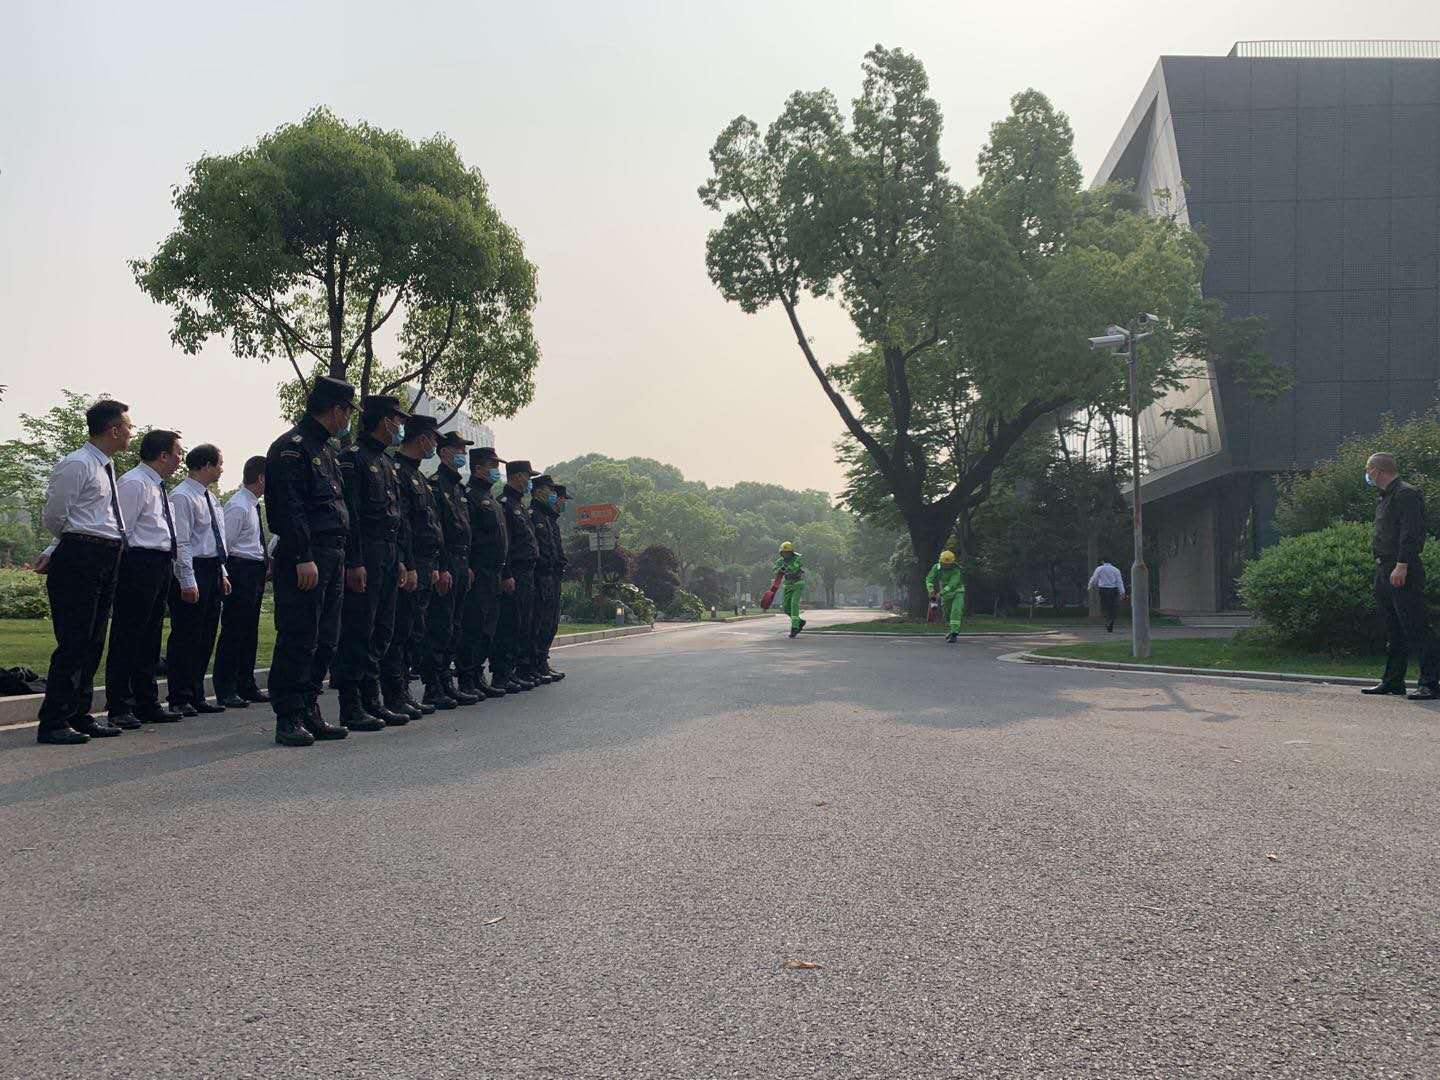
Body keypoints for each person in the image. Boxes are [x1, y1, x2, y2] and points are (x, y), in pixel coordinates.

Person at [33, 399, 133, 744]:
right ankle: (54, 721)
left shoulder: (106, 466)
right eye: (128, 426)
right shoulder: (77, 463)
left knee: (93, 642)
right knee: (74, 641)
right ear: (113, 430)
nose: (131, 433)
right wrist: (69, 545)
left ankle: (79, 713)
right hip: (81, 555)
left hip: (105, 554)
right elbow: (56, 516)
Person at [264, 376, 355, 747]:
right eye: (347, 411)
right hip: (307, 554)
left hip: (332, 553)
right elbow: (290, 507)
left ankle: (309, 708)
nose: (348, 419)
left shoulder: (327, 450)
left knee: (326, 637)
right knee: (299, 634)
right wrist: (303, 555)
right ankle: (288, 715)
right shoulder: (292, 447)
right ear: (335, 410)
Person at [332, 395, 412, 731]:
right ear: (383, 420)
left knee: (382, 630)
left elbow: (397, 516)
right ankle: (352, 705)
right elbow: (351, 515)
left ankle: (372, 699)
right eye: (397, 420)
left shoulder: (386, 462)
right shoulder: (353, 458)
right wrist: (355, 561)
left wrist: (401, 559)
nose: (400, 426)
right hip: (367, 552)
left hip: (389, 553)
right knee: (358, 630)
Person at [104, 428, 185, 729]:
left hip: (160, 562)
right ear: (163, 455)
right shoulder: (134, 483)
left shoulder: (157, 485)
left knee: (150, 636)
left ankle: (146, 701)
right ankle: (119, 704)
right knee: (129, 633)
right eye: (177, 453)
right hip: (138, 563)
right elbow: (121, 530)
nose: (180, 459)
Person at [1363, 452, 1440, 700]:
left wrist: (1402, 564)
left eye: (1368, 469)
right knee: (1393, 627)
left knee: (1416, 626)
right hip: (1384, 568)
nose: (1367, 474)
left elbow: (1412, 532)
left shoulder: (1406, 493)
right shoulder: (1385, 496)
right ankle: (1393, 680)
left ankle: (1430, 683)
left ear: (1377, 470)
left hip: (1401, 568)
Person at [382, 414, 443, 717]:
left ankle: (403, 691)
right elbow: (402, 524)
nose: (435, 446)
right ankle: (394, 693)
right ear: (422, 439)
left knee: (413, 630)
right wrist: (407, 563)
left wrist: (434, 563)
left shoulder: (417, 476)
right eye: (433, 440)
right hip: (410, 562)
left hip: (424, 562)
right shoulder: (398, 472)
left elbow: (430, 524)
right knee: (401, 630)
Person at [165, 444, 232, 716]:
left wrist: (223, 572)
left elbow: (216, 539)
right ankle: (179, 696)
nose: (221, 469)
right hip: (193, 568)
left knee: (206, 635)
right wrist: (187, 580)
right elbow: (182, 541)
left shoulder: (211, 498)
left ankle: (196, 693)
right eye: (219, 464)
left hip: (212, 567)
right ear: (206, 465)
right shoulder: (182, 496)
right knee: (187, 634)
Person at [423, 430, 478, 708]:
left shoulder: (458, 488)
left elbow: (464, 531)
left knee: (455, 625)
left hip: (461, 561)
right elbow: (438, 531)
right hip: (447, 562)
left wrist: (467, 565)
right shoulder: (436, 485)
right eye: (459, 450)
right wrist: (443, 566)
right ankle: (433, 686)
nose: (463, 454)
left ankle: (446, 681)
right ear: (444, 453)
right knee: (441, 625)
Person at [213, 455, 270, 708]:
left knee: (249, 631)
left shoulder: (252, 504)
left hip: (254, 570)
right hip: (240, 569)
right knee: (235, 630)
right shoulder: (238, 505)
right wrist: (225, 574)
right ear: (261, 478)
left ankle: (246, 683)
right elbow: (226, 545)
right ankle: (226, 687)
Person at [458, 447, 509, 700]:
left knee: (487, 628)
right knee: (473, 625)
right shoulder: (470, 496)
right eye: (493, 467)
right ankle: (466, 678)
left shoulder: (490, 497)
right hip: (478, 571)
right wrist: (468, 565)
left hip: (493, 572)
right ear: (478, 468)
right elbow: (467, 535)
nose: (496, 471)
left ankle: (477, 675)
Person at [492, 459, 540, 692]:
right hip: (515, 572)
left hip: (527, 572)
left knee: (522, 623)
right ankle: (502, 674)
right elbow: (506, 545)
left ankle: (514, 670)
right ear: (518, 476)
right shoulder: (505, 504)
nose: (529, 481)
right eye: (528, 476)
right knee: (509, 623)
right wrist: (507, 572)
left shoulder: (518, 504)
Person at [529, 474, 566, 682]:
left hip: (551, 575)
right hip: (539, 575)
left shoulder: (548, 518)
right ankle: (531, 665)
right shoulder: (534, 515)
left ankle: (541, 662)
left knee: (549, 622)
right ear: (538, 491)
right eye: (550, 490)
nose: (554, 495)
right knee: (537, 622)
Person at [925, 550, 966, 643]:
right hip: (946, 594)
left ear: (952, 563)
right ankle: (951, 630)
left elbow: (952, 584)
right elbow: (929, 579)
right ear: (940, 561)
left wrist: (940, 594)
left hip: (957, 592)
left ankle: (954, 634)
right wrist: (931, 590)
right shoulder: (936, 567)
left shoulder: (956, 570)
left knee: (956, 611)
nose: (945, 566)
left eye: (948, 564)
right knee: (947, 614)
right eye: (944, 564)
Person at [773, 541, 806, 638]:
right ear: (781, 553)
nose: (786, 555)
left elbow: (795, 567)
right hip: (787, 585)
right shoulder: (780, 561)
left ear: (791, 552)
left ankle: (794, 627)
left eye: (787, 553)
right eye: (784, 553)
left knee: (794, 604)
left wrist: (787, 567)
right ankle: (800, 622)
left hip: (798, 584)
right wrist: (779, 569)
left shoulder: (797, 558)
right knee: (786, 608)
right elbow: (775, 570)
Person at [1087, 558, 1126, 633]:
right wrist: (1122, 592)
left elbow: (1094, 578)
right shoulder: (1116, 570)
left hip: (1103, 589)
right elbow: (1119, 581)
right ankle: (1111, 620)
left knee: (1105, 606)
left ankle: (1107, 620)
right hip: (1113, 589)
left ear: (1103, 561)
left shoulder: (1099, 569)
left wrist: (1090, 586)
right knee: (1113, 606)